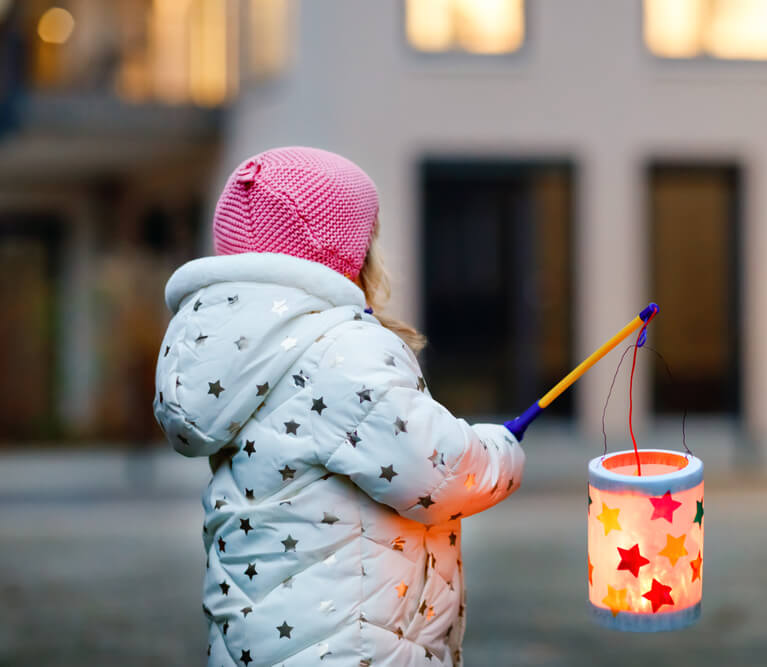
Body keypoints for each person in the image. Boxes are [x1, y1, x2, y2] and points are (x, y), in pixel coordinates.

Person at [153, 147, 525, 666]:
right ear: (344, 253)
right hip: (349, 651)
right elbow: (438, 471)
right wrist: (501, 450)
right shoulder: (339, 351)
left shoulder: (238, 351)